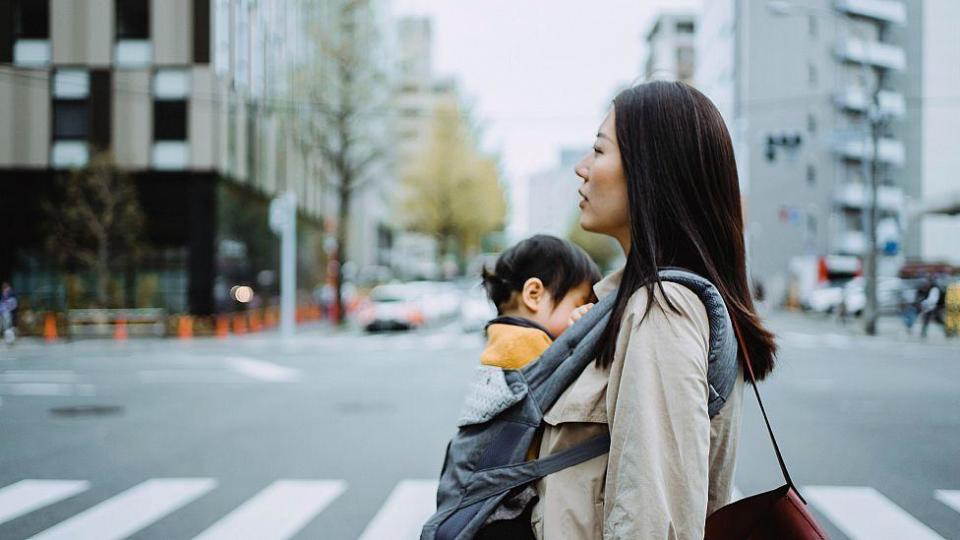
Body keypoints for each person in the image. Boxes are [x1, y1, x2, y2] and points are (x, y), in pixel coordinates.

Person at [530, 81, 777, 539]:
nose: (582, 169)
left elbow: (652, 520)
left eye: (599, 151)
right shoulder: (632, 303)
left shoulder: (662, 309)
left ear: (651, 171)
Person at [479, 234, 602, 370]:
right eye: (579, 304)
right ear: (533, 295)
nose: (585, 314)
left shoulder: (499, 340)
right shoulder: (525, 343)